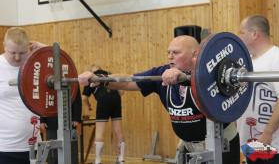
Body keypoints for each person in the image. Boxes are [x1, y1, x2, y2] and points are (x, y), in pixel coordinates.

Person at [78, 35, 240, 164]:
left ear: (195, 54)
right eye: (168, 52)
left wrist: (184, 77)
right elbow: (128, 80)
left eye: (176, 53)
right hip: (188, 147)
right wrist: (99, 78)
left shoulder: (212, 73)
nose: (170, 56)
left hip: (221, 145)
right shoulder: (162, 72)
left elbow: (210, 83)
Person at [237, 15, 279, 164]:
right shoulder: (245, 60)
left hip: (271, 142)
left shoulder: (276, 57)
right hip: (249, 141)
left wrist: (268, 133)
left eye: (241, 32)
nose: (239, 37)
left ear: (254, 34)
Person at [0, 27, 43, 164]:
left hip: (34, 145)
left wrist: (45, 49)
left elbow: (65, 68)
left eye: (22, 52)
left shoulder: (36, 64)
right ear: (4, 46)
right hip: (4, 147)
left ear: (29, 47)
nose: (17, 57)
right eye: (12, 52)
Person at [82, 64, 125, 164]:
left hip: (103, 101)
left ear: (91, 71)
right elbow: (122, 92)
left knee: (99, 132)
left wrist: (88, 106)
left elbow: (84, 98)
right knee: (118, 131)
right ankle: (121, 159)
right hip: (116, 100)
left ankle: (97, 161)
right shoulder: (110, 75)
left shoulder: (91, 77)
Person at [40, 87, 82, 164]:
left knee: (71, 150)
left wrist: (76, 118)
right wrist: (42, 119)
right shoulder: (46, 77)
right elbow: (43, 97)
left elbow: (77, 99)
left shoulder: (71, 77)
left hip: (69, 120)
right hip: (51, 120)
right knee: (52, 150)